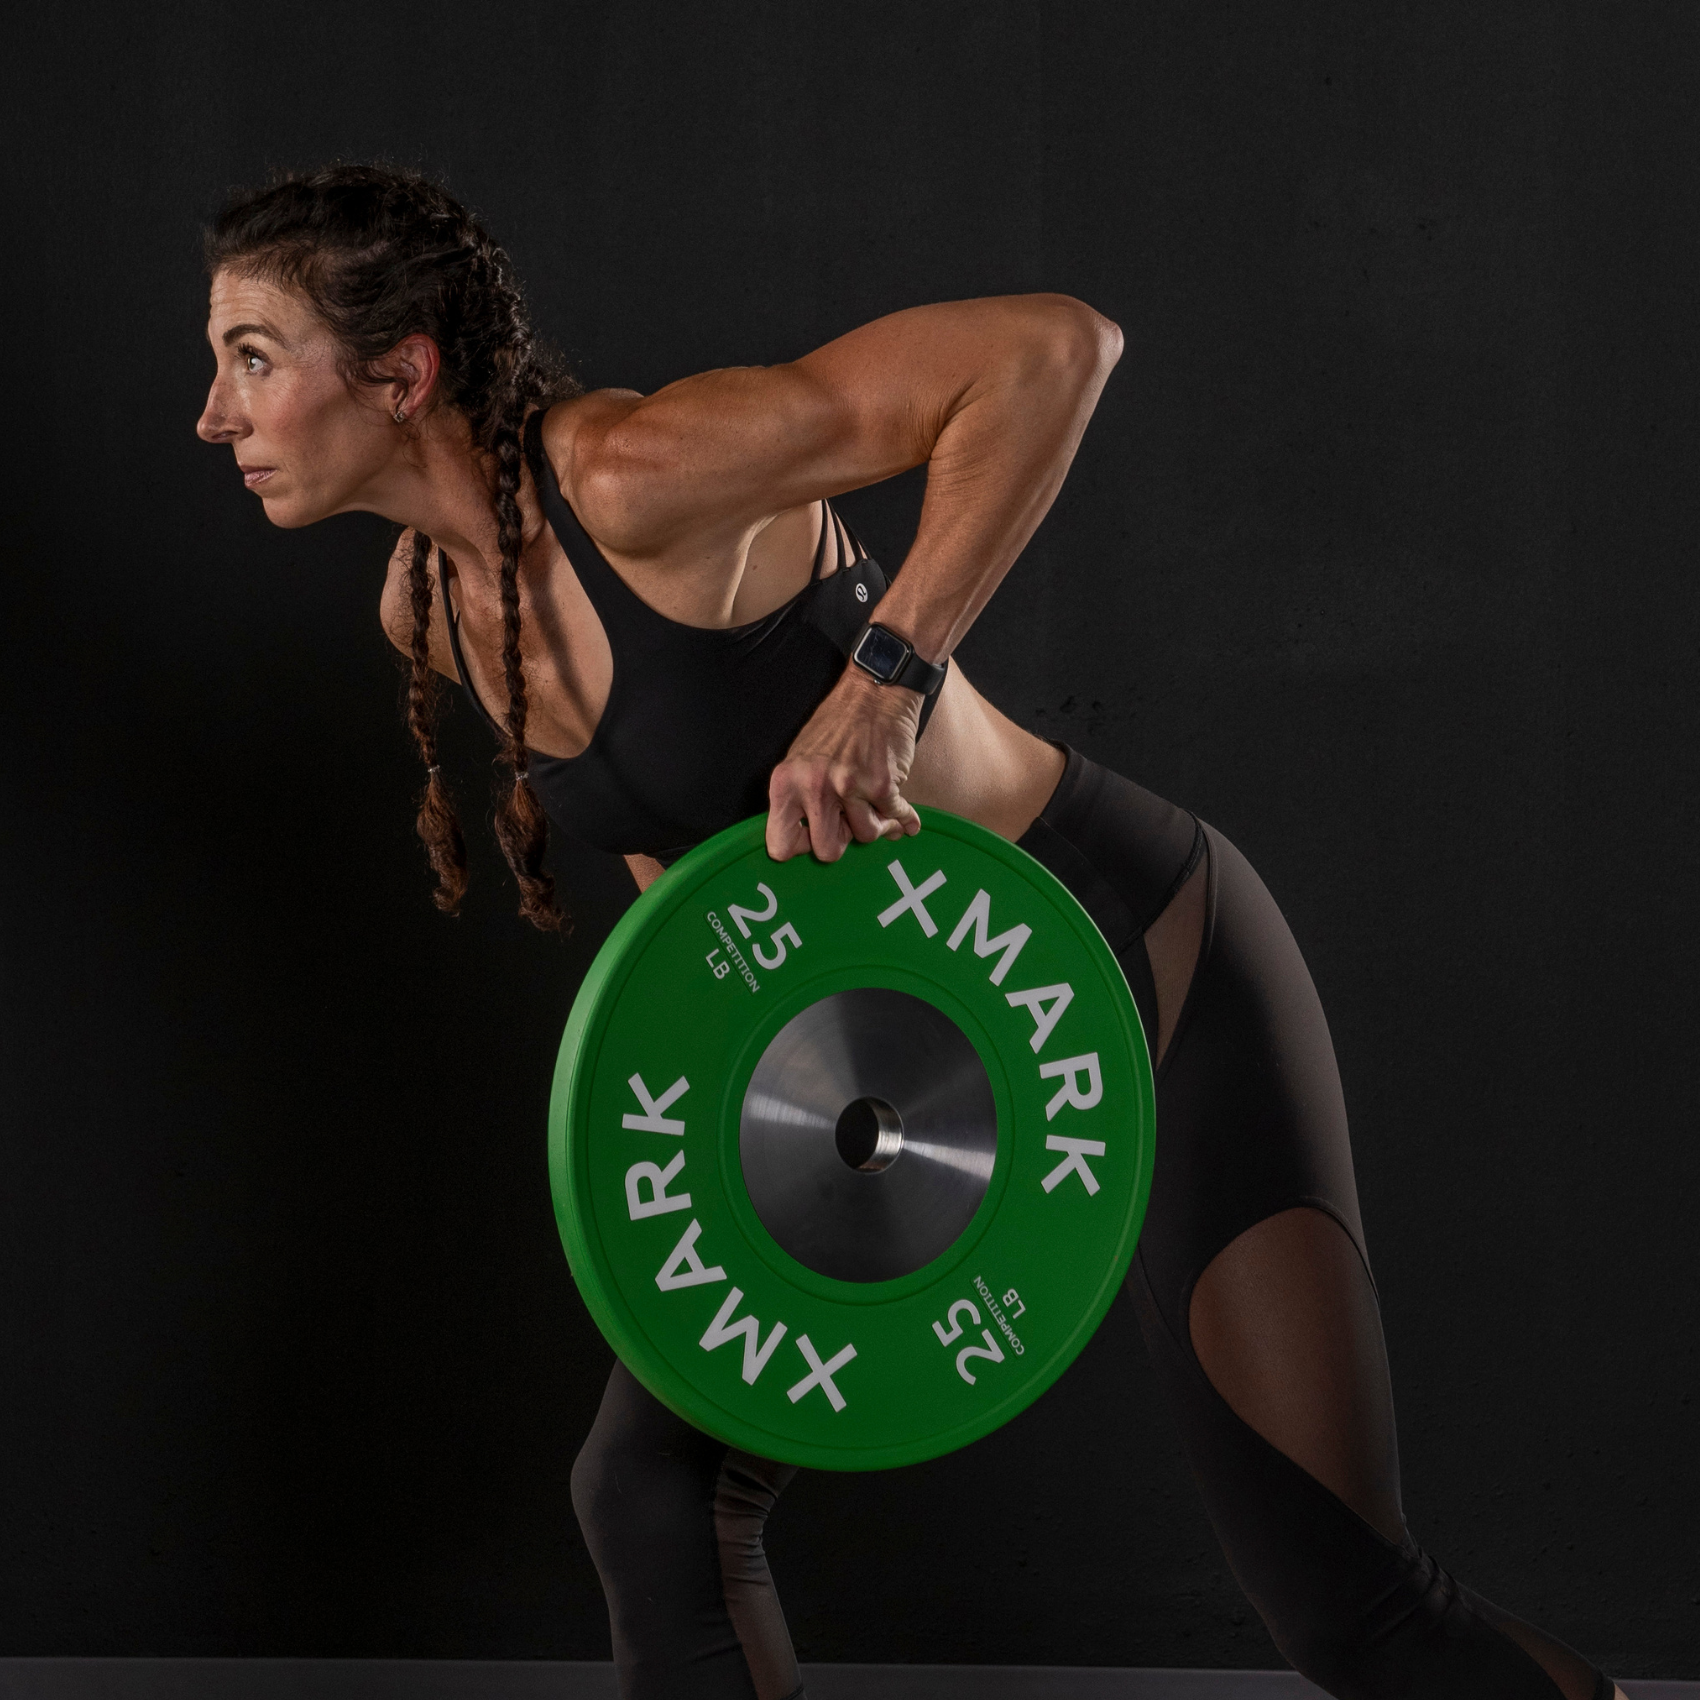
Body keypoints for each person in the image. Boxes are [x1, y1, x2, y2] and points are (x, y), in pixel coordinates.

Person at [195, 165, 1624, 1700]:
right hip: (911, 1069)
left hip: (1130, 968)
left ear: (399, 371)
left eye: (252, 357)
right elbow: (695, 891)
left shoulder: (630, 476)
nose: (217, 413)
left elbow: (1051, 351)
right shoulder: (430, 607)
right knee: (649, 1495)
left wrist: (884, 684)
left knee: (1350, 1607)